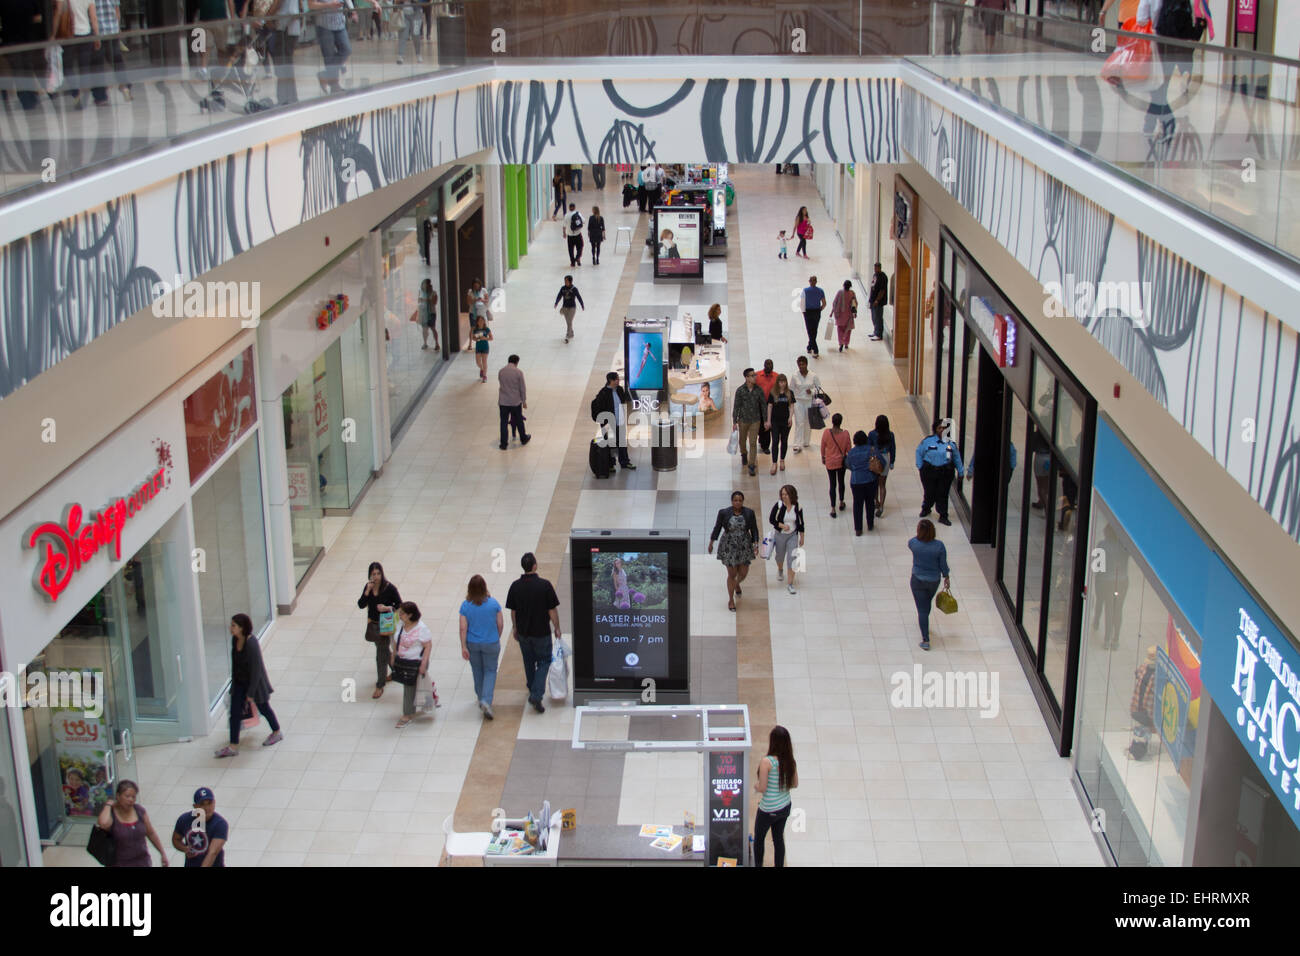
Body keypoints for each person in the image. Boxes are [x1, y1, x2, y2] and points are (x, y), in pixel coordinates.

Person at [215, 613, 282, 757]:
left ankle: (276, 731)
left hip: (255, 684)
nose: (230, 628)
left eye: (234, 625)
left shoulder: (251, 644)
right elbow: (235, 664)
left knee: (264, 708)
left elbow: (256, 670)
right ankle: (233, 746)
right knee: (234, 713)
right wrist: (234, 686)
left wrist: (251, 693)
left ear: (242, 628)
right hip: (240, 683)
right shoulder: (235, 640)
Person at [505, 552, 562, 714]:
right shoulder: (544, 585)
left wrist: (515, 627)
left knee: (528, 661)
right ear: (535, 566)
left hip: (523, 632)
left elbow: (513, 611)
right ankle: (536, 694)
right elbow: (552, 609)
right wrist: (556, 627)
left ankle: (532, 687)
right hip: (541, 632)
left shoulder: (515, 586)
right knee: (544, 661)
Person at [708, 491, 760, 612]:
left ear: (743, 501)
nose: (737, 502)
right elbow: (717, 527)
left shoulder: (749, 513)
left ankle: (737, 584)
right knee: (732, 574)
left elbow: (754, 529)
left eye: (740, 500)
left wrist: (756, 543)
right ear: (732, 501)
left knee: (743, 572)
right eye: (735, 500)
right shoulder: (724, 513)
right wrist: (711, 542)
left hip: (744, 545)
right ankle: (731, 599)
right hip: (729, 546)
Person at [95, 780, 168, 867]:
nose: (131, 800)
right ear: (118, 796)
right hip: (119, 863)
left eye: (133, 797)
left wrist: (162, 853)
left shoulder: (140, 811)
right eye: (127, 796)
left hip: (142, 861)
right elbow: (103, 824)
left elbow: (151, 833)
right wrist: (108, 805)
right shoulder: (112, 814)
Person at [753, 725, 797, 867]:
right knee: (778, 839)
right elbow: (795, 784)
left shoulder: (767, 762)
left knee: (759, 839)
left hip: (768, 809)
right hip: (784, 806)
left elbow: (763, 787)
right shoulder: (790, 761)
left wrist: (756, 787)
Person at [358, 561, 401, 698]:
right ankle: (397, 671)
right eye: (373, 574)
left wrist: (387, 608)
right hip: (373, 624)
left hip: (385, 624)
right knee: (383, 651)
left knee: (380, 656)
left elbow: (399, 605)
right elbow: (361, 604)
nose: (376, 577)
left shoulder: (389, 588)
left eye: (378, 574)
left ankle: (380, 685)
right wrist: (367, 592)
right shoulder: (368, 587)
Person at [909, 519, 951, 651]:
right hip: (934, 580)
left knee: (922, 608)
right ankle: (924, 622)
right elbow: (943, 564)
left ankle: (925, 639)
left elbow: (911, 542)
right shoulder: (939, 546)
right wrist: (946, 576)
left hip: (917, 580)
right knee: (926, 603)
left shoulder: (914, 544)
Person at [916, 418, 965, 526]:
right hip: (929, 472)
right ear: (935, 429)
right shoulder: (927, 441)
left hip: (945, 473)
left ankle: (943, 515)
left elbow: (957, 458)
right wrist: (920, 466)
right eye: (939, 428)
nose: (942, 430)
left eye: (944, 428)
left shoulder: (951, 443)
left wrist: (961, 472)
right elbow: (919, 452)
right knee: (929, 492)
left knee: (943, 494)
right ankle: (926, 508)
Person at [391, 601, 432, 728]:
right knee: (411, 686)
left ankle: (407, 714)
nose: (399, 615)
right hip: (403, 662)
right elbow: (395, 641)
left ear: (410, 615)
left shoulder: (422, 629)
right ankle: (423, 704)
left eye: (402, 613)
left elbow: (427, 646)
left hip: (416, 662)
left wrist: (423, 664)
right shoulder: (400, 625)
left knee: (409, 687)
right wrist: (393, 655)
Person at [172, 787, 228, 868]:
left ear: (214, 803)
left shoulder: (220, 824)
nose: (207, 808)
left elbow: (212, 853)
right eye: (202, 804)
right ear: (195, 806)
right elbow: (176, 839)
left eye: (209, 803)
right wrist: (185, 848)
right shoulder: (184, 819)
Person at [591, 371, 636, 470]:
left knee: (622, 443)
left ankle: (625, 462)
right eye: (616, 379)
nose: (618, 381)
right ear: (611, 380)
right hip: (608, 423)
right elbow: (599, 409)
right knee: (610, 444)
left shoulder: (619, 389)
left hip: (620, 421)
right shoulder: (603, 393)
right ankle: (611, 465)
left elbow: (623, 401)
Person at [308, 0, 355, 94]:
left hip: (340, 23)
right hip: (324, 25)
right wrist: (329, 5)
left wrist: (353, 11)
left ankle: (325, 75)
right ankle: (335, 86)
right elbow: (311, 5)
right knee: (329, 57)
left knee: (346, 49)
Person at [67, 0, 107, 109]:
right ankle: (90, 97)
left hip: (69, 34)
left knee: (67, 67)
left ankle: (76, 93)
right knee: (85, 69)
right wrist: (97, 37)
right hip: (86, 33)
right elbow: (93, 18)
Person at [845, 430, 884, 535]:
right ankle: (870, 524)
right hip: (870, 480)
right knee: (870, 503)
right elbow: (882, 462)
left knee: (857, 505)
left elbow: (848, 464)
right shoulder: (872, 450)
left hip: (856, 481)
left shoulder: (852, 453)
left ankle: (858, 529)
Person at [769, 485, 804, 595]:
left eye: (786, 494)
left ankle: (790, 584)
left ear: (791, 495)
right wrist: (782, 526)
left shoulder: (797, 506)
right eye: (782, 494)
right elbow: (771, 519)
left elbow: (801, 522)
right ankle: (780, 569)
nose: (784, 496)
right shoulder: (779, 505)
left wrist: (802, 537)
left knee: (792, 558)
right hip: (780, 535)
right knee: (780, 556)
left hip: (793, 535)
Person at [93, 0, 131, 101]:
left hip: (99, 33)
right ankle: (125, 86)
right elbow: (117, 12)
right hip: (112, 31)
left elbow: (92, 15)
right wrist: (118, 28)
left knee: (98, 65)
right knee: (117, 60)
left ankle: (100, 96)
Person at [731, 367, 765, 477]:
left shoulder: (759, 390)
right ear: (746, 378)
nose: (755, 377)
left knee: (753, 442)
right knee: (742, 440)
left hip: (755, 420)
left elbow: (763, 406)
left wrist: (766, 420)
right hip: (743, 420)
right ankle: (744, 454)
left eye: (755, 375)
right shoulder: (740, 390)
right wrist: (734, 421)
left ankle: (751, 465)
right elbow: (736, 406)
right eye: (752, 375)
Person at [267, 0, 302, 106]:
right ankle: (290, 96)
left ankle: (285, 98)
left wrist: (267, 17)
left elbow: (278, 2)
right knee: (286, 64)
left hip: (284, 27)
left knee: (282, 65)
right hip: (291, 27)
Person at [820, 412, 851, 517]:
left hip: (830, 462)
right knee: (841, 482)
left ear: (832, 422)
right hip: (841, 462)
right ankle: (841, 502)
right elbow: (849, 449)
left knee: (832, 484)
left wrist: (823, 457)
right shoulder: (845, 434)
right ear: (841, 422)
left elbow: (823, 446)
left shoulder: (826, 433)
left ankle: (833, 508)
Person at [867, 414, 897, 517]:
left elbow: (868, 447)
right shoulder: (890, 435)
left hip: (875, 459)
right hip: (885, 459)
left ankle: (876, 501)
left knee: (874, 483)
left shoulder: (872, 434)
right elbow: (893, 448)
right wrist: (892, 461)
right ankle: (882, 506)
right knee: (882, 484)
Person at [498, 354, 530, 450]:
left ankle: (504, 444)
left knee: (503, 422)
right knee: (519, 420)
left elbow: (501, 383)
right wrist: (524, 401)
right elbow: (522, 388)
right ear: (517, 362)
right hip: (515, 402)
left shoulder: (501, 371)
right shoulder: (518, 372)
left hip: (503, 402)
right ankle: (523, 438)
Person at [790, 355, 822, 451]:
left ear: (806, 364)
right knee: (799, 422)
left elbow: (818, 388)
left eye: (803, 364)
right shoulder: (795, 375)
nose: (801, 366)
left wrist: (812, 391)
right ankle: (797, 443)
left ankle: (806, 441)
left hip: (809, 401)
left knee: (808, 422)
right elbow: (791, 389)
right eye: (799, 365)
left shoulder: (813, 375)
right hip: (798, 401)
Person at [766, 373, 795, 475]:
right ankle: (774, 462)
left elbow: (791, 406)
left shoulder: (789, 393)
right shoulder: (773, 393)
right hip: (775, 421)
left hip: (785, 421)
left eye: (784, 382)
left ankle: (782, 460)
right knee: (775, 441)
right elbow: (769, 407)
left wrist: (790, 418)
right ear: (777, 382)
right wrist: (768, 421)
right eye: (780, 382)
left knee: (784, 440)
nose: (782, 384)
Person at [754, 359, 777, 454]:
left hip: (770, 404)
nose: (769, 367)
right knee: (759, 424)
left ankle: (765, 445)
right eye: (767, 365)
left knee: (767, 424)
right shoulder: (757, 375)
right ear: (764, 365)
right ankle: (760, 439)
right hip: (759, 403)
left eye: (771, 365)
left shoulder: (776, 376)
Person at [553, 274, 584, 343]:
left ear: (570, 281)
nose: (565, 282)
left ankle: (568, 336)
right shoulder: (563, 288)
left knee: (569, 321)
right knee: (568, 322)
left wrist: (582, 304)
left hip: (572, 307)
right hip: (565, 307)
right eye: (565, 281)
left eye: (566, 281)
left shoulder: (574, 289)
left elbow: (579, 297)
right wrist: (556, 303)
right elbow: (559, 296)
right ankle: (571, 332)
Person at [801, 276, 826, 358]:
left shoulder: (805, 290)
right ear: (816, 282)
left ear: (809, 281)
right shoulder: (820, 291)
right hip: (816, 312)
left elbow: (802, 303)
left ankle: (815, 349)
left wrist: (803, 311)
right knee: (814, 330)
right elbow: (824, 303)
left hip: (808, 312)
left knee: (809, 330)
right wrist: (820, 309)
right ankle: (810, 346)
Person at [831, 279, 857, 351]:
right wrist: (854, 313)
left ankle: (841, 343)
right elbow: (855, 304)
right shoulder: (852, 293)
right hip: (849, 316)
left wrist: (832, 312)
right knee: (848, 330)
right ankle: (846, 343)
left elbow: (834, 303)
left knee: (840, 330)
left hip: (840, 316)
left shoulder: (840, 292)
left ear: (843, 285)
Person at [868, 262, 888, 341]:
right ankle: (875, 331)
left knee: (878, 317)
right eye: (874, 268)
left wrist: (877, 300)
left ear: (879, 268)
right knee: (874, 317)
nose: (875, 269)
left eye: (876, 268)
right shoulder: (875, 275)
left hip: (878, 302)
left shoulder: (883, 277)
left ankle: (879, 334)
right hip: (873, 300)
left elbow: (882, 290)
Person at [418, 278, 438, 350]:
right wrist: (427, 300)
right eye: (424, 285)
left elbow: (434, 302)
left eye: (427, 285)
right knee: (424, 329)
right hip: (424, 313)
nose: (425, 287)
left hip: (432, 313)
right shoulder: (421, 292)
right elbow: (419, 300)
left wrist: (426, 300)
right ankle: (425, 343)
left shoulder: (434, 293)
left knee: (433, 328)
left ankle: (437, 343)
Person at [471, 316, 492, 383]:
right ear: (477, 322)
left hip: (485, 347)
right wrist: (476, 339)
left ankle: (484, 376)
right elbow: (473, 338)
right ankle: (482, 369)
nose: (481, 322)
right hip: (478, 347)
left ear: (484, 321)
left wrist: (485, 338)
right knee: (478, 362)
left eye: (482, 320)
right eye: (479, 321)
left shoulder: (487, 329)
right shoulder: (475, 330)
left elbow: (491, 338)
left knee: (484, 362)